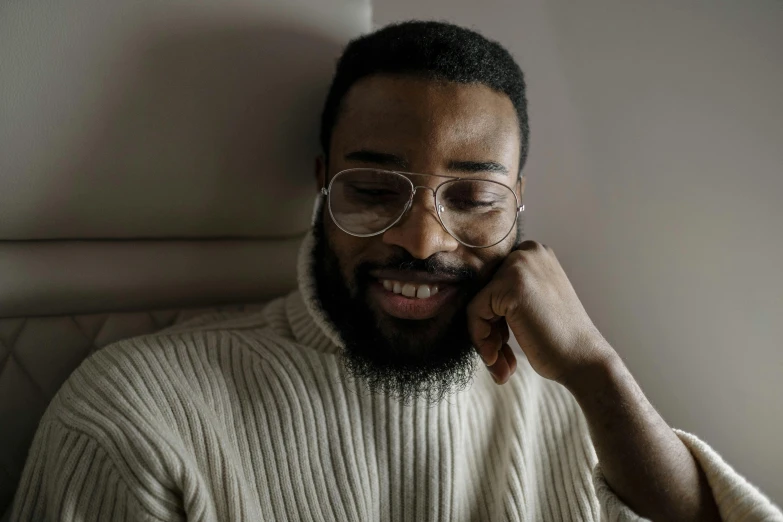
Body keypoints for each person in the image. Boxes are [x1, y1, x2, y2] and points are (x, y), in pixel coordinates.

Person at [11, 21, 782, 522]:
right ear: (321, 183)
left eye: (472, 198)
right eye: (374, 191)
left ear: (517, 205)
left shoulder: (568, 402)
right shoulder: (134, 415)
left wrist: (593, 367)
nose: (420, 239)